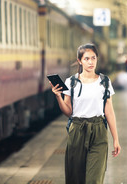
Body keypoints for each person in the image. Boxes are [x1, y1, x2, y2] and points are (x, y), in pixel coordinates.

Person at [50, 43, 121, 184]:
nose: (90, 62)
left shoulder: (105, 82)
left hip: (99, 131)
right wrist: (58, 96)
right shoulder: (71, 82)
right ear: (79, 61)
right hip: (77, 130)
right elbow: (68, 112)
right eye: (87, 59)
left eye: (93, 58)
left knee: (94, 179)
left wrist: (116, 139)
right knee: (75, 179)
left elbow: (109, 112)